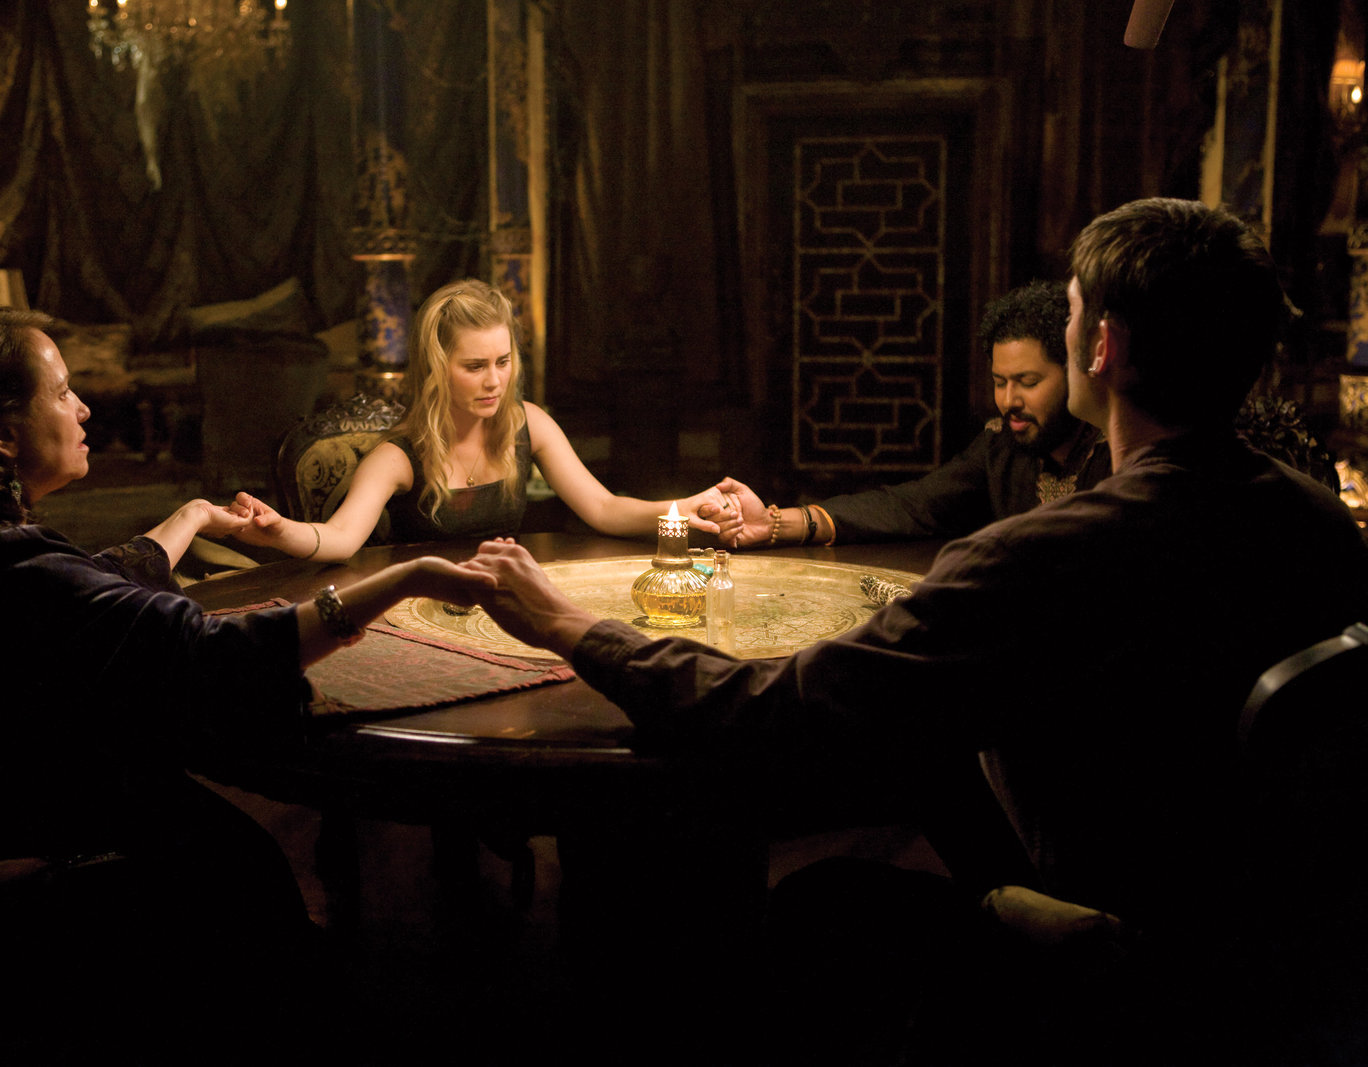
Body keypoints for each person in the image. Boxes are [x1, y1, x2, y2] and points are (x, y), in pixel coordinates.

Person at [462, 200, 1368, 1060]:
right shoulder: (1320, 524)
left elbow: (772, 709)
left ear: (1104, 347)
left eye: (1069, 318)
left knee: (817, 905)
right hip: (1276, 959)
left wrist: (569, 623)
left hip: (1127, 968)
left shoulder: (1049, 553)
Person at [0, 308, 495, 1059]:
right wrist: (403, 579)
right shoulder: (12, 572)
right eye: (62, 391)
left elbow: (93, 586)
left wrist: (189, 520)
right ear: (3, 435)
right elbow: (211, 654)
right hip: (17, 908)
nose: (84, 409)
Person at [232, 278, 741, 560]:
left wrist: (683, 507)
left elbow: (604, 508)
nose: (495, 381)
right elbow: (340, 538)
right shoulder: (398, 456)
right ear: (438, 370)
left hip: (502, 600)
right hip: (422, 613)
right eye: (475, 366)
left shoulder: (527, 424)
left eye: (503, 362)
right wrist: (279, 530)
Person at [708, 280, 1111, 547]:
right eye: (999, 382)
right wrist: (775, 524)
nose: (1008, 401)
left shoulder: (1115, 458)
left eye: (1027, 382)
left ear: (1074, 372)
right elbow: (914, 505)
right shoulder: (1002, 444)